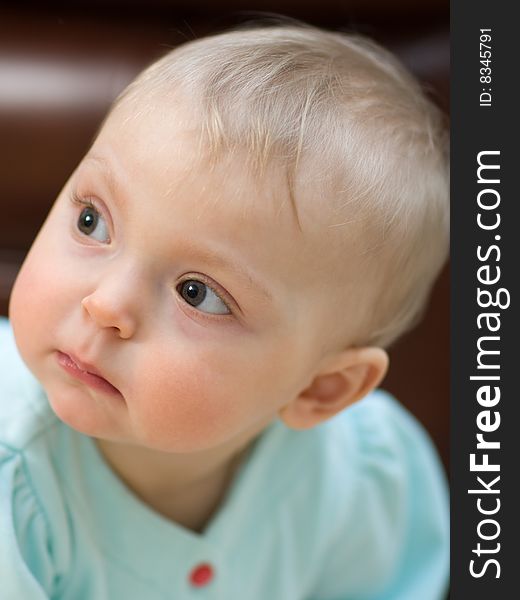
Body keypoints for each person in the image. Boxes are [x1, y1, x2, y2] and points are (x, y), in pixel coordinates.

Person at [1, 22, 449, 599]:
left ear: (323, 390)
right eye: (93, 221)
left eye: (198, 293)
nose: (105, 304)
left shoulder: (365, 475)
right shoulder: (16, 483)